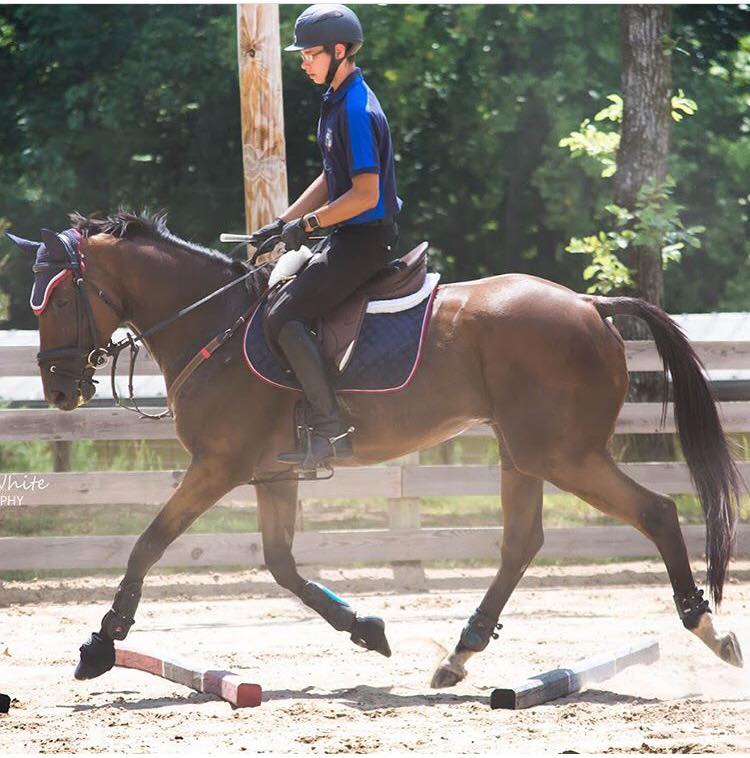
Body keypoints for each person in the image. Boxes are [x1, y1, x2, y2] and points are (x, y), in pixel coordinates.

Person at [251, 4, 403, 471]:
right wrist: (284, 222)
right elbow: (330, 176)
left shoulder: (356, 108)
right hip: (347, 237)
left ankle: (332, 428)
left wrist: (309, 226)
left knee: (284, 317)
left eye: (310, 54)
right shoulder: (338, 98)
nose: (303, 62)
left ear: (340, 51)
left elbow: (364, 194)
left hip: (364, 242)